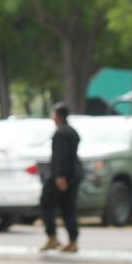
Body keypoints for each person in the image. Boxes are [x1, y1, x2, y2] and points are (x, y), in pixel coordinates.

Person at [39, 103, 82, 254]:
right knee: (68, 208)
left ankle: (52, 236)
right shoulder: (72, 131)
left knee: (46, 204)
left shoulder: (61, 133)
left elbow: (60, 157)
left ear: (57, 115)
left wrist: (59, 176)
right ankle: (73, 240)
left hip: (62, 176)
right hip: (74, 174)